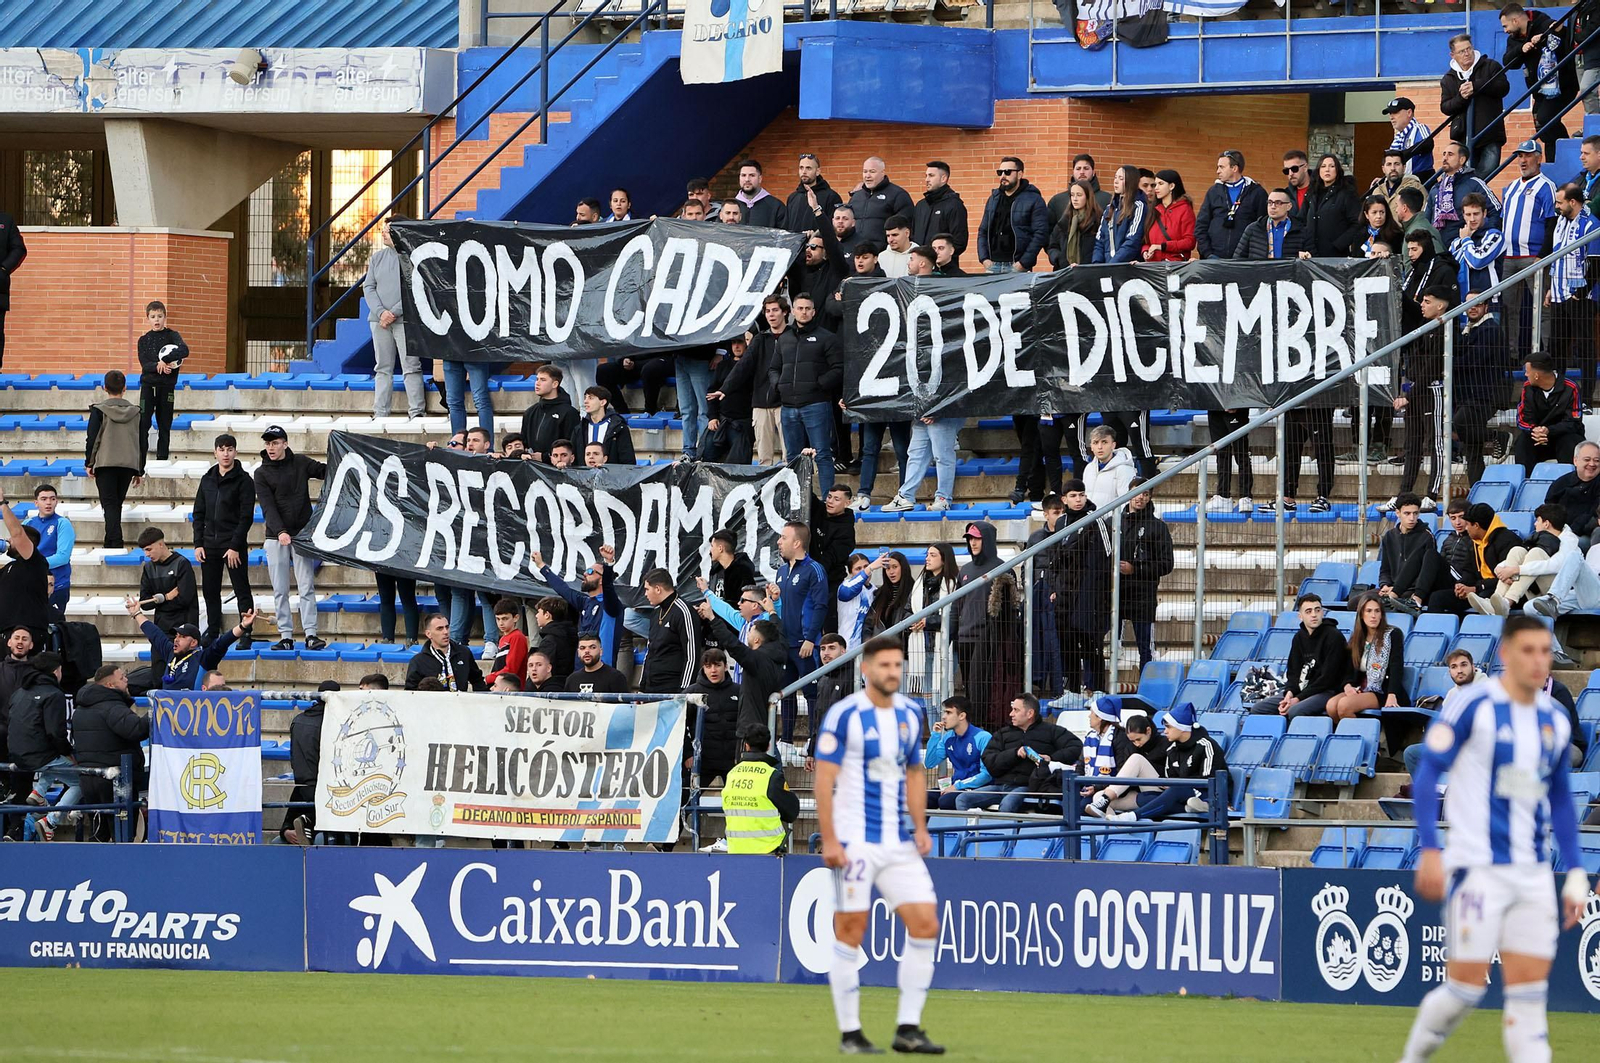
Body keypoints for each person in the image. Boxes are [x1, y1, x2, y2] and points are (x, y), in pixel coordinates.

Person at [1397, 616, 1590, 1063]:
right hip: (1476, 870)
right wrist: (1429, 848)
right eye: (1529, 650)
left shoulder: (1555, 721)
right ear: (1505, 655)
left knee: (1528, 1005)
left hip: (1534, 876)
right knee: (1464, 990)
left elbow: (1560, 797)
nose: (1539, 660)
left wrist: (1576, 868)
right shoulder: (1475, 706)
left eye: (1546, 651)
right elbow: (1426, 777)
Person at [813, 636, 941, 1055]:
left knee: (926, 925)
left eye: (897, 665)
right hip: (854, 841)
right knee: (851, 930)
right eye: (884, 665)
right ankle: (850, 1032)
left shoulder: (909, 712)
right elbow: (824, 779)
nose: (892, 672)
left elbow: (916, 772)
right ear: (865, 669)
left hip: (898, 841)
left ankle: (908, 1028)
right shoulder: (844, 715)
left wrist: (920, 827)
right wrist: (830, 838)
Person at [253, 425, 326, 652]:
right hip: (277, 536)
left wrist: (335, 446)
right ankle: (286, 635)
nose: (271, 447)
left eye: (275, 443)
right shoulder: (261, 473)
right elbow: (268, 507)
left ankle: (311, 634)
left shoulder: (301, 462)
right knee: (280, 588)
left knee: (306, 585)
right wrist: (281, 531)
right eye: (268, 443)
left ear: (285, 443)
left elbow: (327, 471)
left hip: (302, 534)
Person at [1107, 701, 1229, 822]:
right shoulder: (1172, 749)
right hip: (1183, 795)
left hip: (1208, 794)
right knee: (1145, 797)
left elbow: (1209, 781)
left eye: (1168, 727)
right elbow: (1170, 778)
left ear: (1182, 728)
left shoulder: (1206, 745)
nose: (1165, 731)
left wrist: (1177, 784)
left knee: (1176, 789)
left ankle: (1133, 817)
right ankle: (1188, 808)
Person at [957, 693, 1081, 812]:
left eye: (1016, 710)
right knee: (962, 799)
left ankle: (1006, 834)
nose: (1011, 714)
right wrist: (1014, 753)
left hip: (1028, 786)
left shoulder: (1051, 731)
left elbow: (1075, 746)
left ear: (1030, 713)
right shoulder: (1003, 733)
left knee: (1007, 804)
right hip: (1000, 786)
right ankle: (970, 833)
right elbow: (989, 761)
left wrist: (1051, 759)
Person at [71, 664, 150, 833]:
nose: (127, 680)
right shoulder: (112, 706)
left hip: (88, 777)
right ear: (110, 685)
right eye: (122, 678)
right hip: (114, 780)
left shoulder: (80, 709)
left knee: (98, 833)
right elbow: (136, 729)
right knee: (122, 834)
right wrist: (156, 712)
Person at [193, 434, 255, 646]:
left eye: (229, 449)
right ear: (215, 452)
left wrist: (235, 546)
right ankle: (212, 630)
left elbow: (246, 517)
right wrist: (198, 543)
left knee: (241, 588)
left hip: (232, 544)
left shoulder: (245, 480)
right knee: (210, 590)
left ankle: (245, 631)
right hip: (209, 544)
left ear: (235, 452)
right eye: (221, 449)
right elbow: (198, 513)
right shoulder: (207, 479)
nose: (225, 454)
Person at [6, 652, 75, 840]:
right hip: (39, 756)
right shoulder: (54, 694)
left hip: (16, 755)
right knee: (81, 781)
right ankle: (49, 822)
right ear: (55, 671)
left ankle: (39, 792)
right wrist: (69, 753)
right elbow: (55, 733)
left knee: (54, 763)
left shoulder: (19, 692)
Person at [769, 522, 828, 742]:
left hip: (805, 643)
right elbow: (783, 607)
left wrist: (811, 639)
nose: (779, 541)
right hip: (786, 644)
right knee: (786, 694)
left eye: (783, 537)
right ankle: (786, 741)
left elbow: (821, 605)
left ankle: (814, 739)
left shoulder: (814, 569)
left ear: (797, 542)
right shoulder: (782, 571)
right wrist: (775, 599)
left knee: (812, 694)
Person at [778, 292, 841, 494]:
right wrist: (779, 385)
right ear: (793, 311)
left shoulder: (827, 338)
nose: (803, 312)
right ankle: (797, 501)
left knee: (822, 454)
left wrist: (819, 384)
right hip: (788, 407)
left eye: (807, 308)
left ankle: (826, 501)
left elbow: (839, 368)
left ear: (813, 312)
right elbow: (773, 368)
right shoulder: (784, 338)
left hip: (816, 405)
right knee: (793, 459)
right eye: (800, 308)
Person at [1499, 141, 1557, 354]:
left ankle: (1547, 353)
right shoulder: (1513, 186)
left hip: (1533, 256)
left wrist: (1543, 255)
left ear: (1539, 157)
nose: (1522, 161)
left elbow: (1552, 223)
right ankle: (1511, 354)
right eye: (1519, 156)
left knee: (1543, 309)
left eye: (1528, 156)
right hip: (1509, 258)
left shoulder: (1546, 185)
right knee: (1508, 308)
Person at [365, 213, 425, 420]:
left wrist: (395, 312)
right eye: (383, 229)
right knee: (382, 368)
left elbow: (415, 288)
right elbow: (369, 287)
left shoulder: (412, 257)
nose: (383, 233)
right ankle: (380, 413)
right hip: (379, 322)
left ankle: (416, 412)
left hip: (405, 321)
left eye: (388, 230)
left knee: (411, 367)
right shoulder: (376, 258)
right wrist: (382, 313)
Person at [1250, 593, 1349, 718]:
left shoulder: (1334, 637)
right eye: (1308, 611)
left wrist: (1297, 699)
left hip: (1327, 691)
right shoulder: (1299, 638)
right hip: (1301, 691)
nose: (1314, 614)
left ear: (1322, 613)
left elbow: (1327, 679)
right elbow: (1294, 673)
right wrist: (1289, 694)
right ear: (1300, 616)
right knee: (1258, 709)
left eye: (1317, 610)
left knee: (1295, 711)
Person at [1502, 3, 1577, 161]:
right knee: (1542, 128)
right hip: (1539, 91)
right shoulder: (1513, 40)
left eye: (1505, 25)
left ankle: (1570, 150)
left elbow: (1558, 30)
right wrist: (1522, 49)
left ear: (1515, 20)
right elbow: (1508, 61)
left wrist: (1548, 33)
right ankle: (1553, 163)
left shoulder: (1541, 21)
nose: (1505, 30)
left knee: (1545, 118)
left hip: (1562, 85)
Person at [1547, 182, 1600, 400]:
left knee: (1585, 349)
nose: (1556, 206)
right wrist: (1551, 288)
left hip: (1581, 298)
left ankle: (1586, 397)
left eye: (1560, 202)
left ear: (1572, 202)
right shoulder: (1560, 221)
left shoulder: (1591, 224)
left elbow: (1596, 264)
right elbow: (1556, 255)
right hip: (1558, 294)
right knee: (1557, 348)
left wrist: (1580, 292)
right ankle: (1558, 393)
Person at [700, 608, 792, 734]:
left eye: (750, 631)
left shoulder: (757, 660)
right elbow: (779, 633)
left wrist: (712, 619)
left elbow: (733, 645)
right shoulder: (779, 652)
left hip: (751, 731)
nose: (747, 634)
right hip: (765, 727)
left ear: (757, 640)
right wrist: (772, 612)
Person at [126, 600, 253, 691]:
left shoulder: (202, 658)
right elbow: (155, 634)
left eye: (182, 637)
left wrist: (242, 626)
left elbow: (221, 643)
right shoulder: (171, 652)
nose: (176, 640)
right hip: (169, 714)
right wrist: (137, 614)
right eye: (176, 636)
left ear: (193, 642)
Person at [84, 370, 145, 549]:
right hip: (127, 464)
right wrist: (140, 469)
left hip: (106, 463)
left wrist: (89, 462)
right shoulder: (136, 412)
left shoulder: (98, 410)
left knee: (110, 504)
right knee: (115, 504)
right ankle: (109, 543)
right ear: (124, 388)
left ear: (105, 388)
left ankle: (116, 543)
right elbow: (142, 442)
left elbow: (93, 439)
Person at [719, 722, 799, 855]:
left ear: (746, 745)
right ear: (768, 746)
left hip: (735, 850)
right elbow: (791, 812)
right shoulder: (772, 776)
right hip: (769, 851)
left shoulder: (732, 774)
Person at [1323, 593, 1406, 722]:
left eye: (1377, 611)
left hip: (1384, 691)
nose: (1373, 615)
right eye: (1369, 611)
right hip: (1360, 688)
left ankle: (1359, 738)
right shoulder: (1357, 639)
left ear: (1381, 614)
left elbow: (1397, 667)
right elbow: (1348, 671)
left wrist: (1392, 694)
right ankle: (1349, 737)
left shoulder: (1393, 634)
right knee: (1331, 706)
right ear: (1361, 614)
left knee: (1344, 706)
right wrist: (1348, 686)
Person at [1119, 478, 1173, 670]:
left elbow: (1167, 564)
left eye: (1146, 494)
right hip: (1116, 595)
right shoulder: (1115, 523)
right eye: (1137, 492)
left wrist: (1135, 569)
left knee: (1146, 650)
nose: (1140, 497)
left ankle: (1145, 689)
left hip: (1143, 597)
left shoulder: (1158, 527)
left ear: (1150, 497)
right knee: (1111, 648)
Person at [1440, 32, 1512, 178]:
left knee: (1486, 174)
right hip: (1463, 137)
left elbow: (1503, 87)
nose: (1467, 54)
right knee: (1465, 178)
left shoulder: (1490, 66)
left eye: (1469, 49)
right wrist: (1461, 97)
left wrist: (1477, 86)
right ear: (1452, 55)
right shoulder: (1448, 78)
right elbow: (1445, 107)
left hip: (1490, 133)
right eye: (1461, 51)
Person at [977, 155, 1049, 273]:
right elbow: (983, 230)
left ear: (1020, 174)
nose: (1003, 176)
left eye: (1007, 172)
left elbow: (1041, 233)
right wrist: (984, 259)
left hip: (1017, 266)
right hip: (992, 265)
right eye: (1000, 172)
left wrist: (1023, 263)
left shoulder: (1034, 199)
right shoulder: (994, 199)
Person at [136, 300, 187, 462]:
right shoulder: (143, 340)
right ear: (148, 318)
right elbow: (145, 363)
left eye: (159, 316)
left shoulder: (172, 335)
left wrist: (165, 360)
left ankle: (162, 459)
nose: (156, 320)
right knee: (143, 424)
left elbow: (184, 350)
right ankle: (140, 461)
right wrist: (158, 365)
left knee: (164, 425)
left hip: (166, 387)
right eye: (153, 317)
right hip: (148, 387)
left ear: (165, 317)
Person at [0, 488, 50, 649]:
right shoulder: (10, 567)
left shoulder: (35, 562)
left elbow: (17, 534)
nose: (9, 539)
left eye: (12, 539)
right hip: (6, 633)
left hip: (29, 631)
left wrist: (2, 504)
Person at [1514, 354, 1583, 471]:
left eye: (1527, 371)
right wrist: (1535, 430)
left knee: (1570, 441)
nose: (1525, 375)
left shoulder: (1571, 387)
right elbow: (1522, 419)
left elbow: (1573, 422)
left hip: (1563, 436)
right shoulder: (1527, 388)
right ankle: (1526, 482)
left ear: (1536, 375)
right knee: (1523, 442)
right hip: (1538, 438)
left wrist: (1549, 430)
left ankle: (1570, 482)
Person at [639, 568, 701, 695]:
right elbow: (649, 652)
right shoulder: (656, 612)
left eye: (647, 589)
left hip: (672, 689)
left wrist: (684, 692)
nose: (645, 594)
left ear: (657, 589)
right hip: (651, 688)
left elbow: (692, 656)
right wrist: (642, 687)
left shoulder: (683, 611)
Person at [1196, 150, 1268, 260]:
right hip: (1213, 260)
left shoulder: (1257, 192)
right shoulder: (1213, 191)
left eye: (1221, 167)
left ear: (1234, 168)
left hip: (1244, 262)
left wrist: (1252, 256)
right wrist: (1207, 253)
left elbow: (1262, 228)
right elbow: (1201, 226)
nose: (1217, 171)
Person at [923, 696, 991, 810]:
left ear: (962, 716)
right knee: (924, 798)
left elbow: (986, 775)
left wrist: (957, 786)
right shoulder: (947, 738)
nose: (944, 717)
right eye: (944, 712)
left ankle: (953, 827)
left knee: (945, 801)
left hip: (979, 787)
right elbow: (930, 763)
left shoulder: (983, 737)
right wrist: (935, 735)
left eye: (948, 713)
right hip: (956, 787)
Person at [685, 648, 740, 786]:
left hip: (733, 761)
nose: (713, 670)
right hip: (702, 761)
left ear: (726, 666)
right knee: (686, 802)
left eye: (717, 665)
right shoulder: (692, 693)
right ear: (703, 668)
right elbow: (677, 725)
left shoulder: (739, 691)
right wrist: (688, 754)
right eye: (708, 666)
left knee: (740, 804)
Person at [1378, 494, 1442, 612]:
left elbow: (1427, 573)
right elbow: (1385, 569)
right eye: (1407, 513)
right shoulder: (1389, 536)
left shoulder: (1427, 537)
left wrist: (1395, 589)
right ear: (1398, 513)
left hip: (1411, 590)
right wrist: (1385, 585)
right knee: (1357, 602)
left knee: (1391, 605)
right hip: (1392, 588)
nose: (1412, 518)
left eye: (1415, 513)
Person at [883, 413, 960, 512]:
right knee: (915, 454)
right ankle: (905, 496)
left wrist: (936, 411)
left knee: (942, 455)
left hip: (944, 412)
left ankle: (943, 498)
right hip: (923, 413)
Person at [1430, 141, 1500, 246]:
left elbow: (1496, 212)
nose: (1445, 158)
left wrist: (1480, 238)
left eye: (1450, 154)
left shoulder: (1475, 184)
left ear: (1462, 160)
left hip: (1465, 250)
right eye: (1444, 154)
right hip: (1439, 253)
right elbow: (1427, 220)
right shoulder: (1436, 188)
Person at [134, 526, 198, 634]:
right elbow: (145, 603)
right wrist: (166, 597)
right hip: (161, 629)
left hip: (183, 630)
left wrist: (157, 601)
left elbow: (184, 599)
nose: (147, 554)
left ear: (160, 544)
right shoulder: (148, 568)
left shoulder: (182, 564)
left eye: (149, 549)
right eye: (144, 550)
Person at [403, 612, 488, 691]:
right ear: (428, 634)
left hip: (460, 704)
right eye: (439, 629)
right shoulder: (418, 661)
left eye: (447, 627)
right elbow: (410, 693)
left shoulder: (464, 653)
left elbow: (478, 681)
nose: (445, 632)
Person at [22, 484, 74, 611]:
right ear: (36, 502)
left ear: (56, 501)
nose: (48, 502)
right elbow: (19, 553)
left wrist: (34, 563)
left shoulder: (63, 523)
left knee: (53, 626)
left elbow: (63, 557)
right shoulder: (27, 523)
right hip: (31, 583)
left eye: (52, 498)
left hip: (57, 585)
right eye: (44, 499)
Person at [518, 365, 581, 463]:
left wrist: (545, 457)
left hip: (559, 471)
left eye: (543, 380)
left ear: (555, 384)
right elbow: (523, 442)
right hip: (532, 468)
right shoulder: (530, 412)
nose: (537, 383)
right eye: (537, 379)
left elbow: (572, 446)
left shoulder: (569, 413)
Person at [1302, 154, 1361, 258]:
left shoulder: (1347, 193)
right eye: (1323, 166)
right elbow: (1301, 220)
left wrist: (1339, 244)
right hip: (1311, 254)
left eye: (1331, 166)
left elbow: (1358, 223)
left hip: (1336, 256)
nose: (1327, 170)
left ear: (1337, 170)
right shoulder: (1312, 193)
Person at [848, 156, 914, 246]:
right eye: (865, 171)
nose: (867, 176)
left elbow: (905, 226)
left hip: (883, 253)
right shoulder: (856, 197)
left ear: (883, 172)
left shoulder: (898, 195)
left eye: (872, 171)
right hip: (856, 252)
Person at [1544, 441, 1600, 547]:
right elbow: (1549, 510)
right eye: (1587, 460)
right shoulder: (1561, 483)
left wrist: (1570, 533)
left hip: (1586, 534)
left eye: (1597, 460)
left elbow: (1594, 514)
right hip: (1559, 532)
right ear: (1575, 461)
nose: (1592, 464)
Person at [1091, 164, 1149, 264]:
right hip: (1107, 267)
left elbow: (1132, 241)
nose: (1116, 181)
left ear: (1130, 181)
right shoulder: (1109, 208)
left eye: (1121, 178)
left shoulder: (1138, 206)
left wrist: (1112, 265)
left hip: (1126, 268)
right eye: (1115, 177)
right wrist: (1097, 264)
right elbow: (1100, 240)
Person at [912, 161, 968, 263]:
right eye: (926, 176)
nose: (927, 180)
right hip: (920, 268)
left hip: (944, 271)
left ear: (943, 178)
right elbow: (913, 236)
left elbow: (960, 242)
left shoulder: (954, 205)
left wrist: (939, 259)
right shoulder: (921, 205)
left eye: (931, 175)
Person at [1233, 186, 1307, 260]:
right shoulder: (1254, 229)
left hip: (1288, 271)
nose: (1273, 206)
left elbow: (1312, 261)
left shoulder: (1300, 231)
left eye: (1278, 203)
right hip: (1260, 271)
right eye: (1270, 202)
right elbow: (1238, 258)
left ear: (1289, 206)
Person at [595, 349, 671, 417]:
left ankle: (650, 411)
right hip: (635, 361)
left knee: (650, 369)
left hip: (662, 358)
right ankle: (622, 412)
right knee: (603, 371)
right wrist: (626, 359)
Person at [1142, 169, 1195, 262]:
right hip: (1153, 268)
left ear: (1171, 186)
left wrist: (1163, 246)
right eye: (1155, 184)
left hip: (1175, 267)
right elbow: (1146, 241)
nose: (1156, 188)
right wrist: (1145, 251)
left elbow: (1190, 242)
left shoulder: (1185, 209)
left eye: (1160, 184)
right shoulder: (1153, 210)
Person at [786, 152, 843, 235]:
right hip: (794, 246)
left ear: (818, 171)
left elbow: (834, 228)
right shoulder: (792, 198)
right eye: (801, 168)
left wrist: (816, 236)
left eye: (808, 168)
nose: (804, 172)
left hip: (819, 246)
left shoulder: (831, 197)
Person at [578, 386, 636, 467]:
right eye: (585, 398)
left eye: (590, 398)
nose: (585, 401)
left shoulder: (618, 427)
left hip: (612, 477)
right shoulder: (580, 427)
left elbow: (628, 459)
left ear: (602, 402)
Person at [1047, 180, 1098, 269]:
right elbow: (1052, 246)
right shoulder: (1064, 221)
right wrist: (1059, 258)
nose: (1075, 199)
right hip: (1065, 272)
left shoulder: (1097, 221)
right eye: (1072, 195)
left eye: (1079, 195)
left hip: (1089, 273)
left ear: (1088, 196)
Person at [1384, 96, 1435, 181]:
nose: (1391, 117)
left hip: (1420, 181)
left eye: (1395, 112)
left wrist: (1404, 154)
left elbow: (1428, 144)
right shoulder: (1398, 138)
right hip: (1403, 182)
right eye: (1390, 113)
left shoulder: (1419, 128)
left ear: (1409, 112)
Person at [1368, 150, 1427, 219]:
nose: (1393, 168)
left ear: (1404, 167)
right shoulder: (1377, 191)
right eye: (1389, 164)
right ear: (1383, 169)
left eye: (1397, 164)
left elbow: (1423, 216)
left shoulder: (1416, 188)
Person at [533, 595, 578, 683]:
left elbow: (543, 670)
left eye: (538, 612)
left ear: (547, 615)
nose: (536, 616)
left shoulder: (549, 641)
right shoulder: (570, 634)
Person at [566, 633, 631, 694]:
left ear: (601, 651)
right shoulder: (572, 679)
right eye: (582, 648)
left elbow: (624, 705)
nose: (587, 651)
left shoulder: (616, 677)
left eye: (592, 647)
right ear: (578, 652)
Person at [1343, 195, 1404, 259]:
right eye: (1374, 212)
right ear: (1366, 214)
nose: (1379, 216)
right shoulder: (1359, 234)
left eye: (1382, 212)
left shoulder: (1396, 234)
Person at [486, 599, 529, 687]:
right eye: (498, 619)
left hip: (512, 688)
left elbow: (511, 670)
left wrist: (489, 678)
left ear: (516, 618)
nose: (501, 623)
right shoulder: (503, 639)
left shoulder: (517, 637)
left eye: (505, 619)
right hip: (501, 686)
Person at [1396, 186, 1447, 257]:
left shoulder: (1418, 231)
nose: (1396, 210)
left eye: (1397, 205)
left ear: (1404, 208)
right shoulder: (1423, 225)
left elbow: (1438, 259)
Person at [733, 159, 785, 228]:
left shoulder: (776, 206)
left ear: (760, 178)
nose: (747, 179)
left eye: (752, 175)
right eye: (743, 175)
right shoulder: (730, 206)